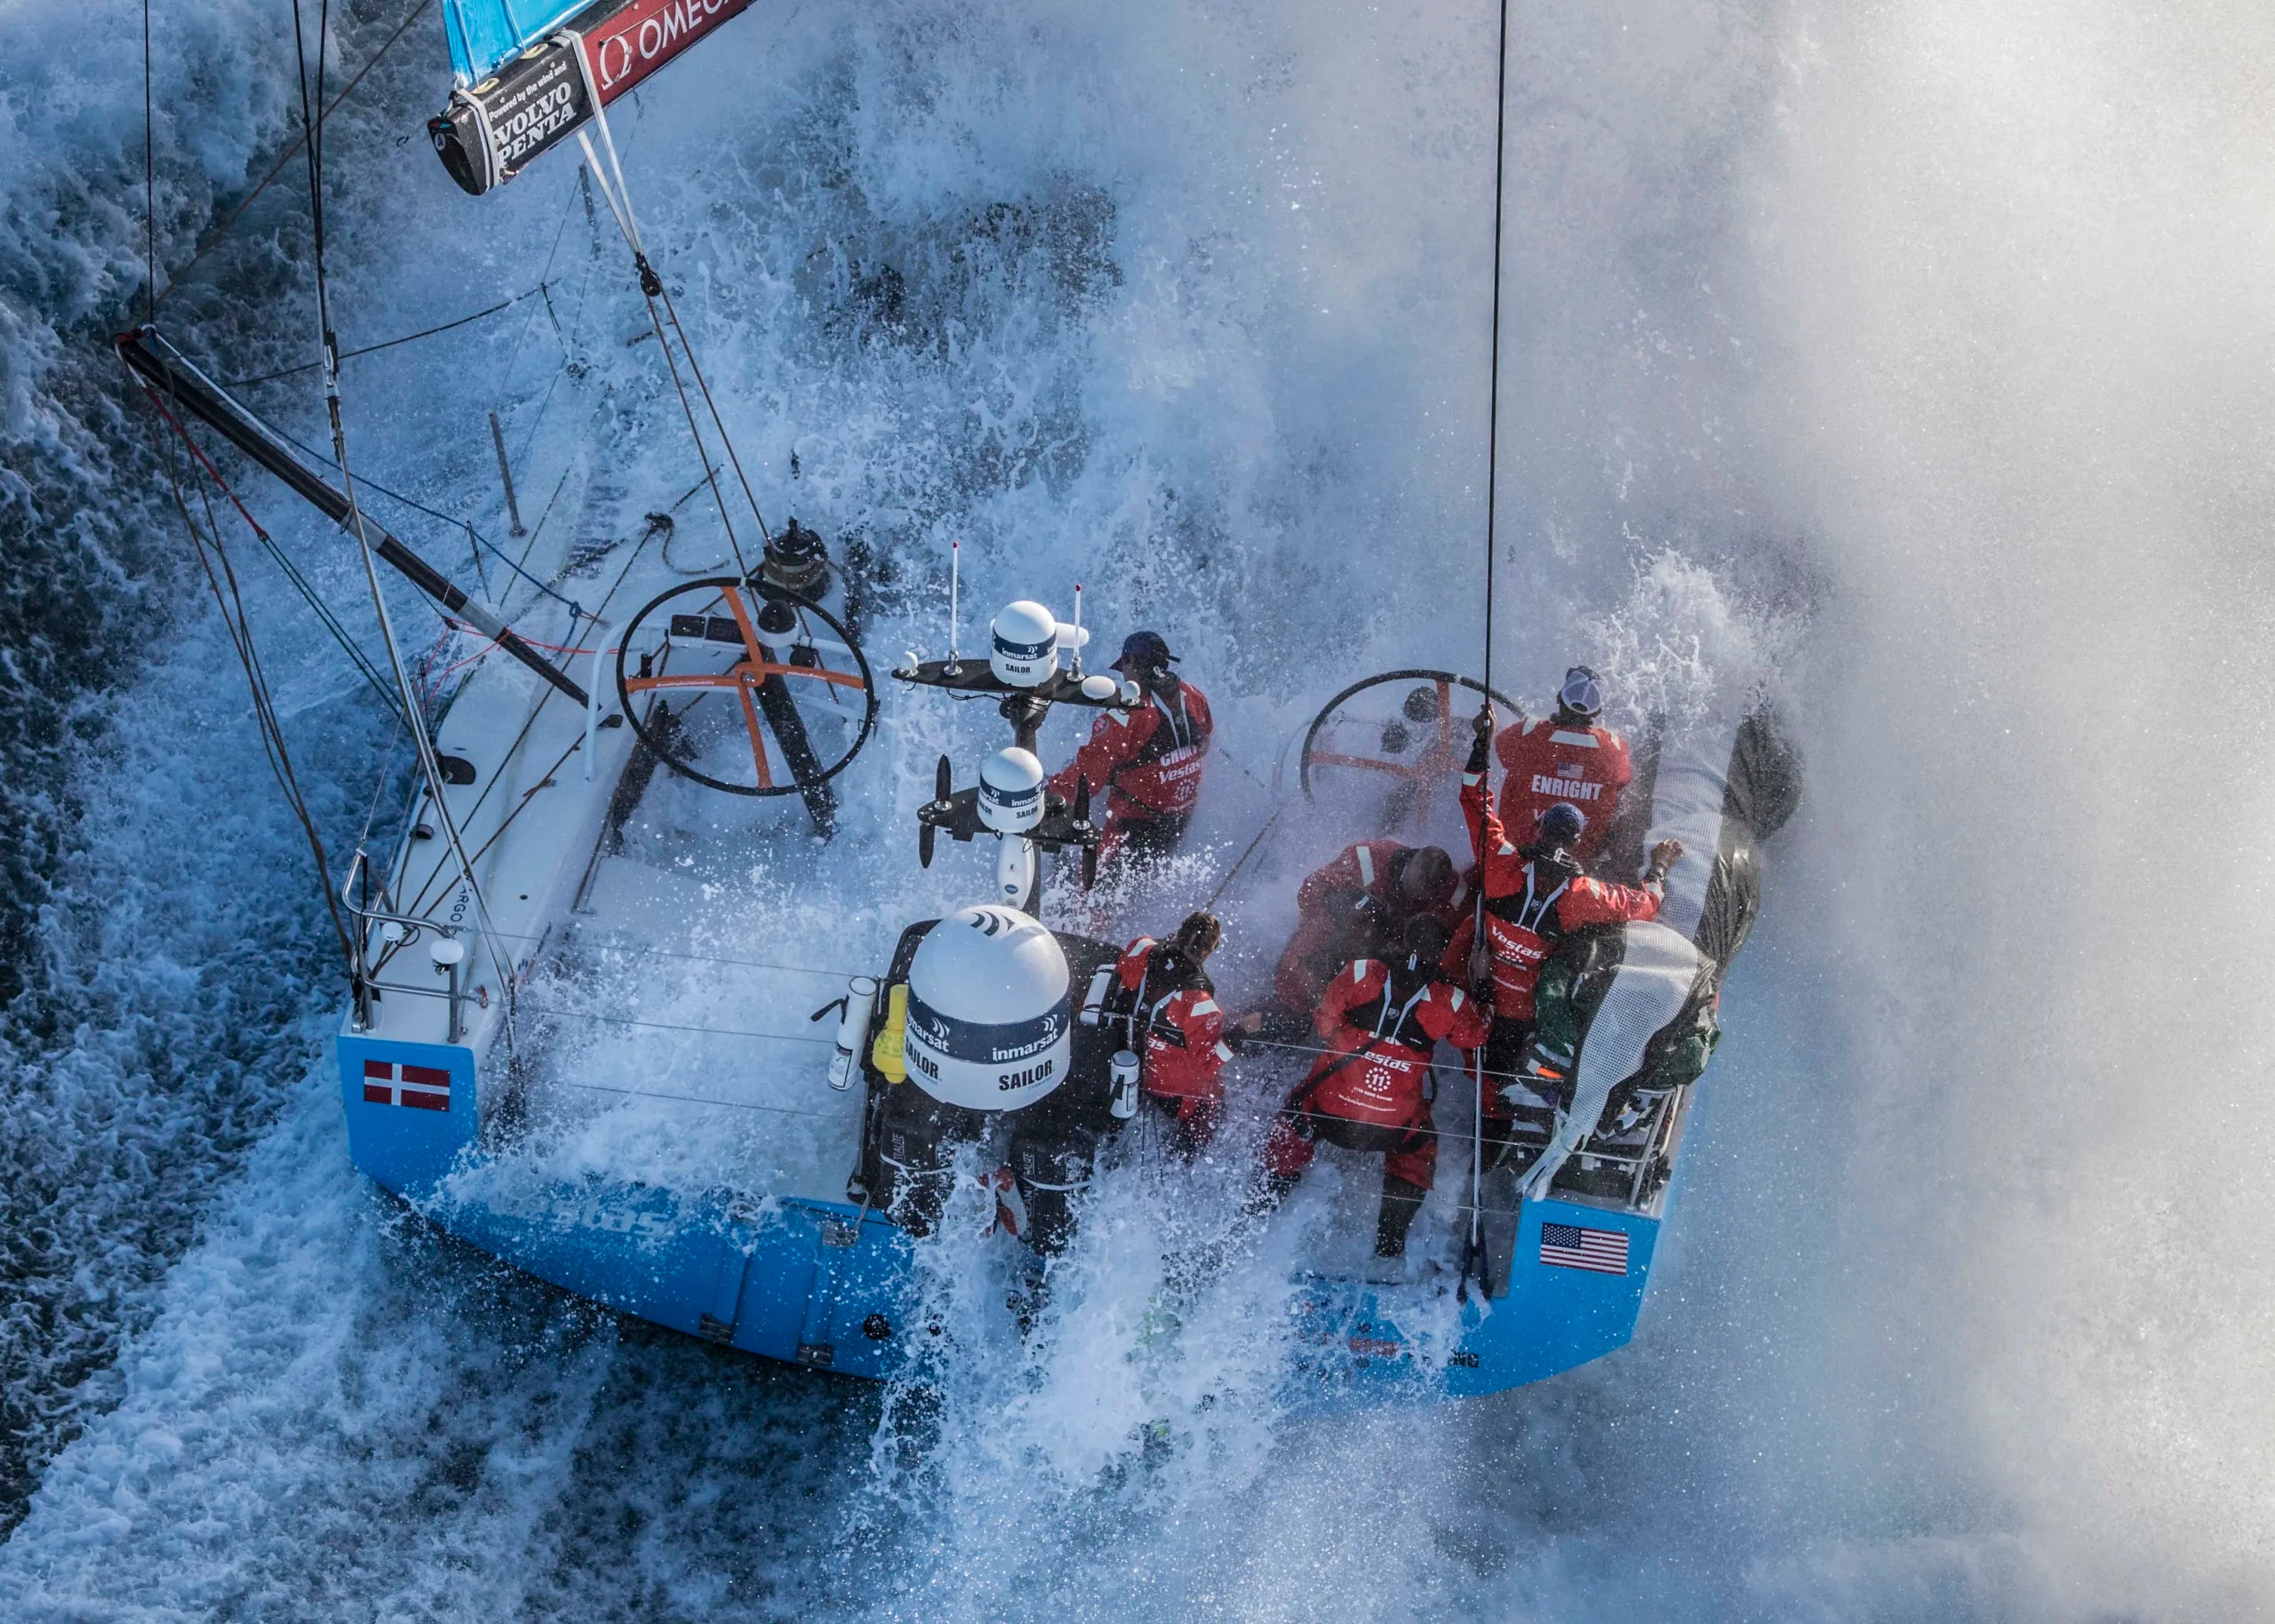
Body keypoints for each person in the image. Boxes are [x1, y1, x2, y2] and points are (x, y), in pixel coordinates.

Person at [1449, 708, 1680, 1158]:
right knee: (1508, 1068)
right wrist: (1659, 868)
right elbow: (1646, 905)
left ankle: (1487, 1110)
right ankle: (1511, 1121)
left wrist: (1483, 742)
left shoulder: (1501, 866)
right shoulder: (1584, 895)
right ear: (1574, 844)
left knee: (1484, 1060)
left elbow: (1474, 798)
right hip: (1530, 1010)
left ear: (1536, 828)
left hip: (1478, 989)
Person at [1256, 912, 1489, 1258]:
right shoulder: (1449, 1000)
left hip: (1327, 1112)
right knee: (1417, 1148)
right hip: (1391, 1127)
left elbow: (1324, 1021)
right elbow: (1477, 1034)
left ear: (1402, 938)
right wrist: (1481, 988)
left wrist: (1356, 1042)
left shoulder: (1362, 972)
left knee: (1296, 1115)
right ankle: (1390, 1242)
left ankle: (1262, 1203)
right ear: (1441, 953)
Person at [1238, 841, 1461, 1047]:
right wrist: (1353, 902)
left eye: (1420, 898)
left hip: (1371, 966)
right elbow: (1308, 894)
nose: (1413, 901)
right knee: (1291, 1015)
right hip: (1326, 947)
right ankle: (1240, 1034)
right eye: (1410, 891)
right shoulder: (1367, 857)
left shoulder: (1443, 894)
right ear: (1408, 868)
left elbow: (1438, 941)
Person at [1048, 631, 1211, 875]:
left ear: (1132, 663)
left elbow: (1087, 779)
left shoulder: (1125, 715)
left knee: (1087, 894)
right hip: (1179, 821)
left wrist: (1050, 797)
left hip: (1135, 830)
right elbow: (1205, 738)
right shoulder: (1192, 695)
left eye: (1124, 663)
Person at [1099, 912, 1232, 1158]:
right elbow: (1208, 1062)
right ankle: (1187, 1155)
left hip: (1122, 1057)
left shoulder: (1140, 947)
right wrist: (1240, 1034)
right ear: (1206, 953)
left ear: (1178, 934)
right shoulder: (1200, 1003)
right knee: (1212, 1095)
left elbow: (1126, 967)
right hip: (1166, 1089)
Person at [1493, 665, 1633, 863]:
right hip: (1575, 870)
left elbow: (1500, 746)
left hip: (1514, 861)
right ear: (1598, 711)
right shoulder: (1614, 748)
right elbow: (1624, 777)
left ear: (1559, 697)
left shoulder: (1528, 733)